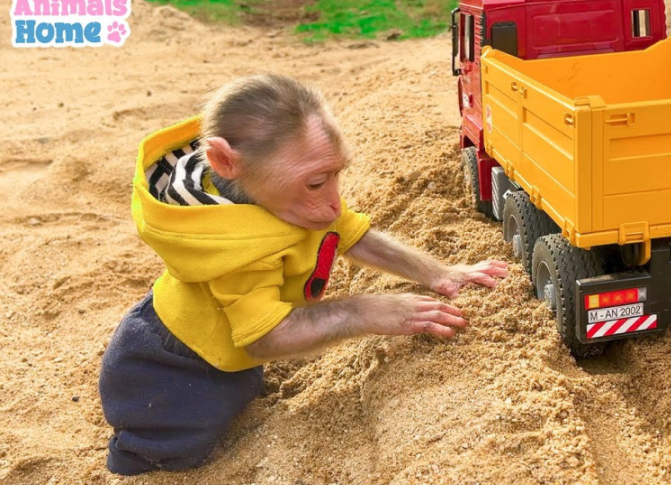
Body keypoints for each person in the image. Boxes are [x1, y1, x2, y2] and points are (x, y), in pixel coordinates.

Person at [98, 73, 508, 475]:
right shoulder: (230, 246)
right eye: (316, 182)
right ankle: (138, 455)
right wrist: (362, 311)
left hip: (227, 345)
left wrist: (439, 273)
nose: (334, 202)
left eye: (336, 174)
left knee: (239, 389)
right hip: (166, 370)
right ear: (225, 161)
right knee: (184, 443)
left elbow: (350, 234)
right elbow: (264, 337)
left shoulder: (282, 195)